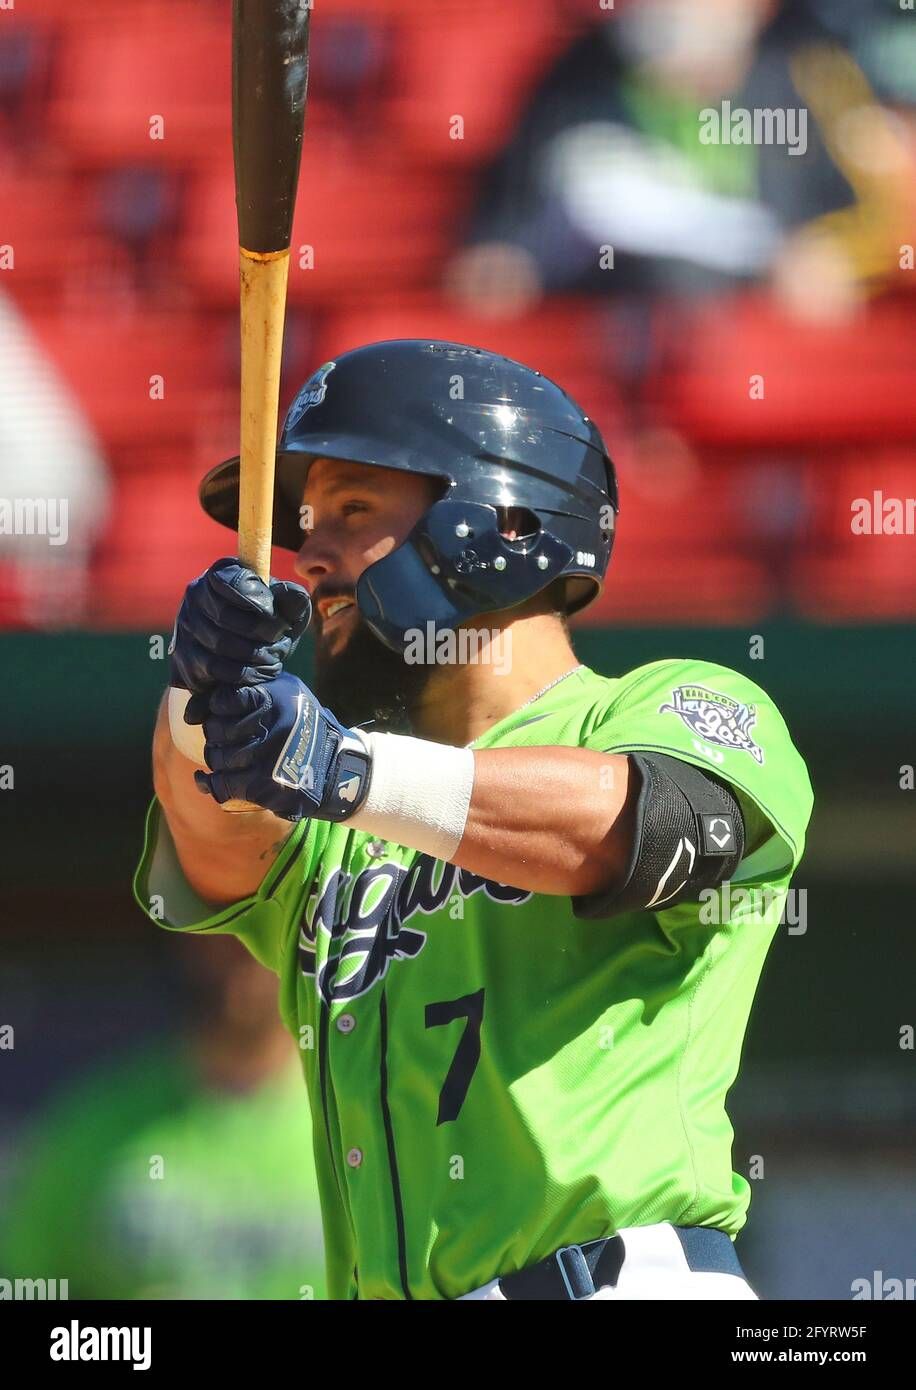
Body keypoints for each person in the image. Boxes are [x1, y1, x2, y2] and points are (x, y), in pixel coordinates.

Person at [135, 339, 813, 1300]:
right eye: (303, 525)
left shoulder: (667, 703)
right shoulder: (337, 814)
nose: (308, 556)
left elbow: (641, 827)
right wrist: (201, 695)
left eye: (353, 509)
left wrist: (342, 767)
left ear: (501, 518)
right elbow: (214, 837)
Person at [2, 936, 326, 1299]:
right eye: (224, 921)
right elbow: (21, 1285)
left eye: (263, 926)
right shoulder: (93, 1122)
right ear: (182, 935)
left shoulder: (359, 1130)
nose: (243, 948)